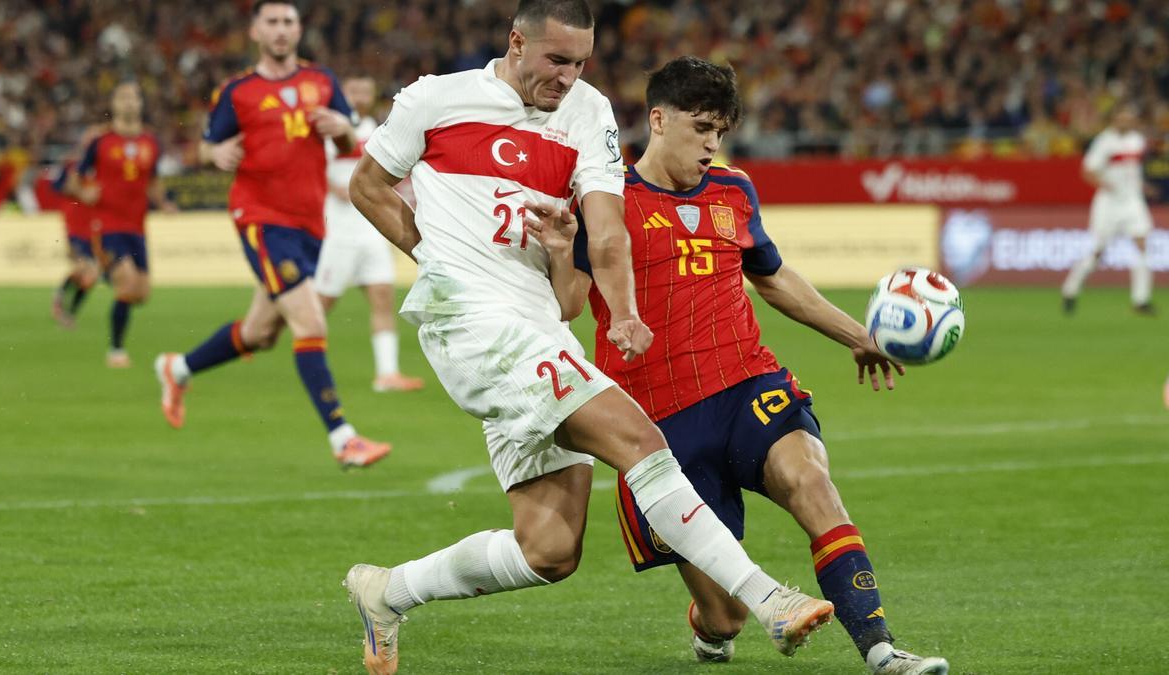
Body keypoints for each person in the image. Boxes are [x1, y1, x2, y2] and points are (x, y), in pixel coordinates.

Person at [343, 3, 835, 674]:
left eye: (580, 63)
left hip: (539, 327)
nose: (568, 76)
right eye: (556, 60)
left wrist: (622, 309)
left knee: (549, 549)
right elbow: (368, 185)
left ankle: (387, 591)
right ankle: (769, 597)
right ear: (517, 42)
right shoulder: (435, 99)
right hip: (473, 322)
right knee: (641, 442)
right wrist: (435, 258)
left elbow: (606, 230)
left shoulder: (588, 111)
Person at [569, 57, 949, 674]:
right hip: (656, 422)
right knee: (727, 618)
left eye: (720, 132)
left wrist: (857, 335)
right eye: (701, 128)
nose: (711, 145)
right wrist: (560, 249)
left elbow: (772, 278)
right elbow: (565, 300)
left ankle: (883, 651)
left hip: (746, 382)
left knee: (812, 482)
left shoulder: (734, 190)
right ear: (658, 120)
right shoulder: (606, 200)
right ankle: (708, 625)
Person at [154, 0, 391, 468]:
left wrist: (341, 128)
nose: (281, 30)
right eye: (273, 22)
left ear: (298, 30)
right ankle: (343, 438)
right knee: (311, 323)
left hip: (310, 223)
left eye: (288, 22)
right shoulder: (237, 91)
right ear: (256, 32)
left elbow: (348, 142)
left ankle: (177, 369)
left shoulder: (322, 81)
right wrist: (214, 155)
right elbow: (206, 146)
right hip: (261, 218)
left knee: (260, 333)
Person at [315, 75, 423, 393]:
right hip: (339, 232)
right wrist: (333, 187)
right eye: (354, 90)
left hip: (372, 231)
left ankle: (387, 374)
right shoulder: (332, 129)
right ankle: (307, 361)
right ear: (342, 94)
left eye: (365, 90)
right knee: (321, 305)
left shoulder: (378, 129)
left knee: (383, 297)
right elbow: (311, 168)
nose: (360, 96)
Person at [70, 82, 175, 367]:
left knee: (141, 293)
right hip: (107, 226)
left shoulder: (151, 143)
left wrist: (163, 203)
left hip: (137, 228)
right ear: (114, 105)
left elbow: (153, 180)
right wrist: (84, 192)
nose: (129, 102)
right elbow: (74, 179)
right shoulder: (100, 141)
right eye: (123, 98)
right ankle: (116, 350)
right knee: (127, 283)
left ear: (140, 104)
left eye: (133, 98)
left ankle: (103, 273)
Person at [1062, 103, 1157, 315]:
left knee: (1142, 245)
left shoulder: (1137, 140)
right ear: (1114, 120)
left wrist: (1142, 186)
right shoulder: (1104, 142)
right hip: (1109, 203)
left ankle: (1141, 299)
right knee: (1098, 252)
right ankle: (1070, 289)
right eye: (1122, 118)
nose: (1126, 122)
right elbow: (1087, 171)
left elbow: (1132, 170)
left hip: (1132, 201)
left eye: (1129, 119)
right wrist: (1106, 185)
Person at [50, 129, 104, 329]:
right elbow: (57, 187)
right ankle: (59, 299)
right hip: (75, 225)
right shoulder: (72, 164)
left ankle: (69, 312)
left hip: (95, 228)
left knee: (91, 276)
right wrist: (81, 192)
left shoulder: (103, 167)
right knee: (84, 269)